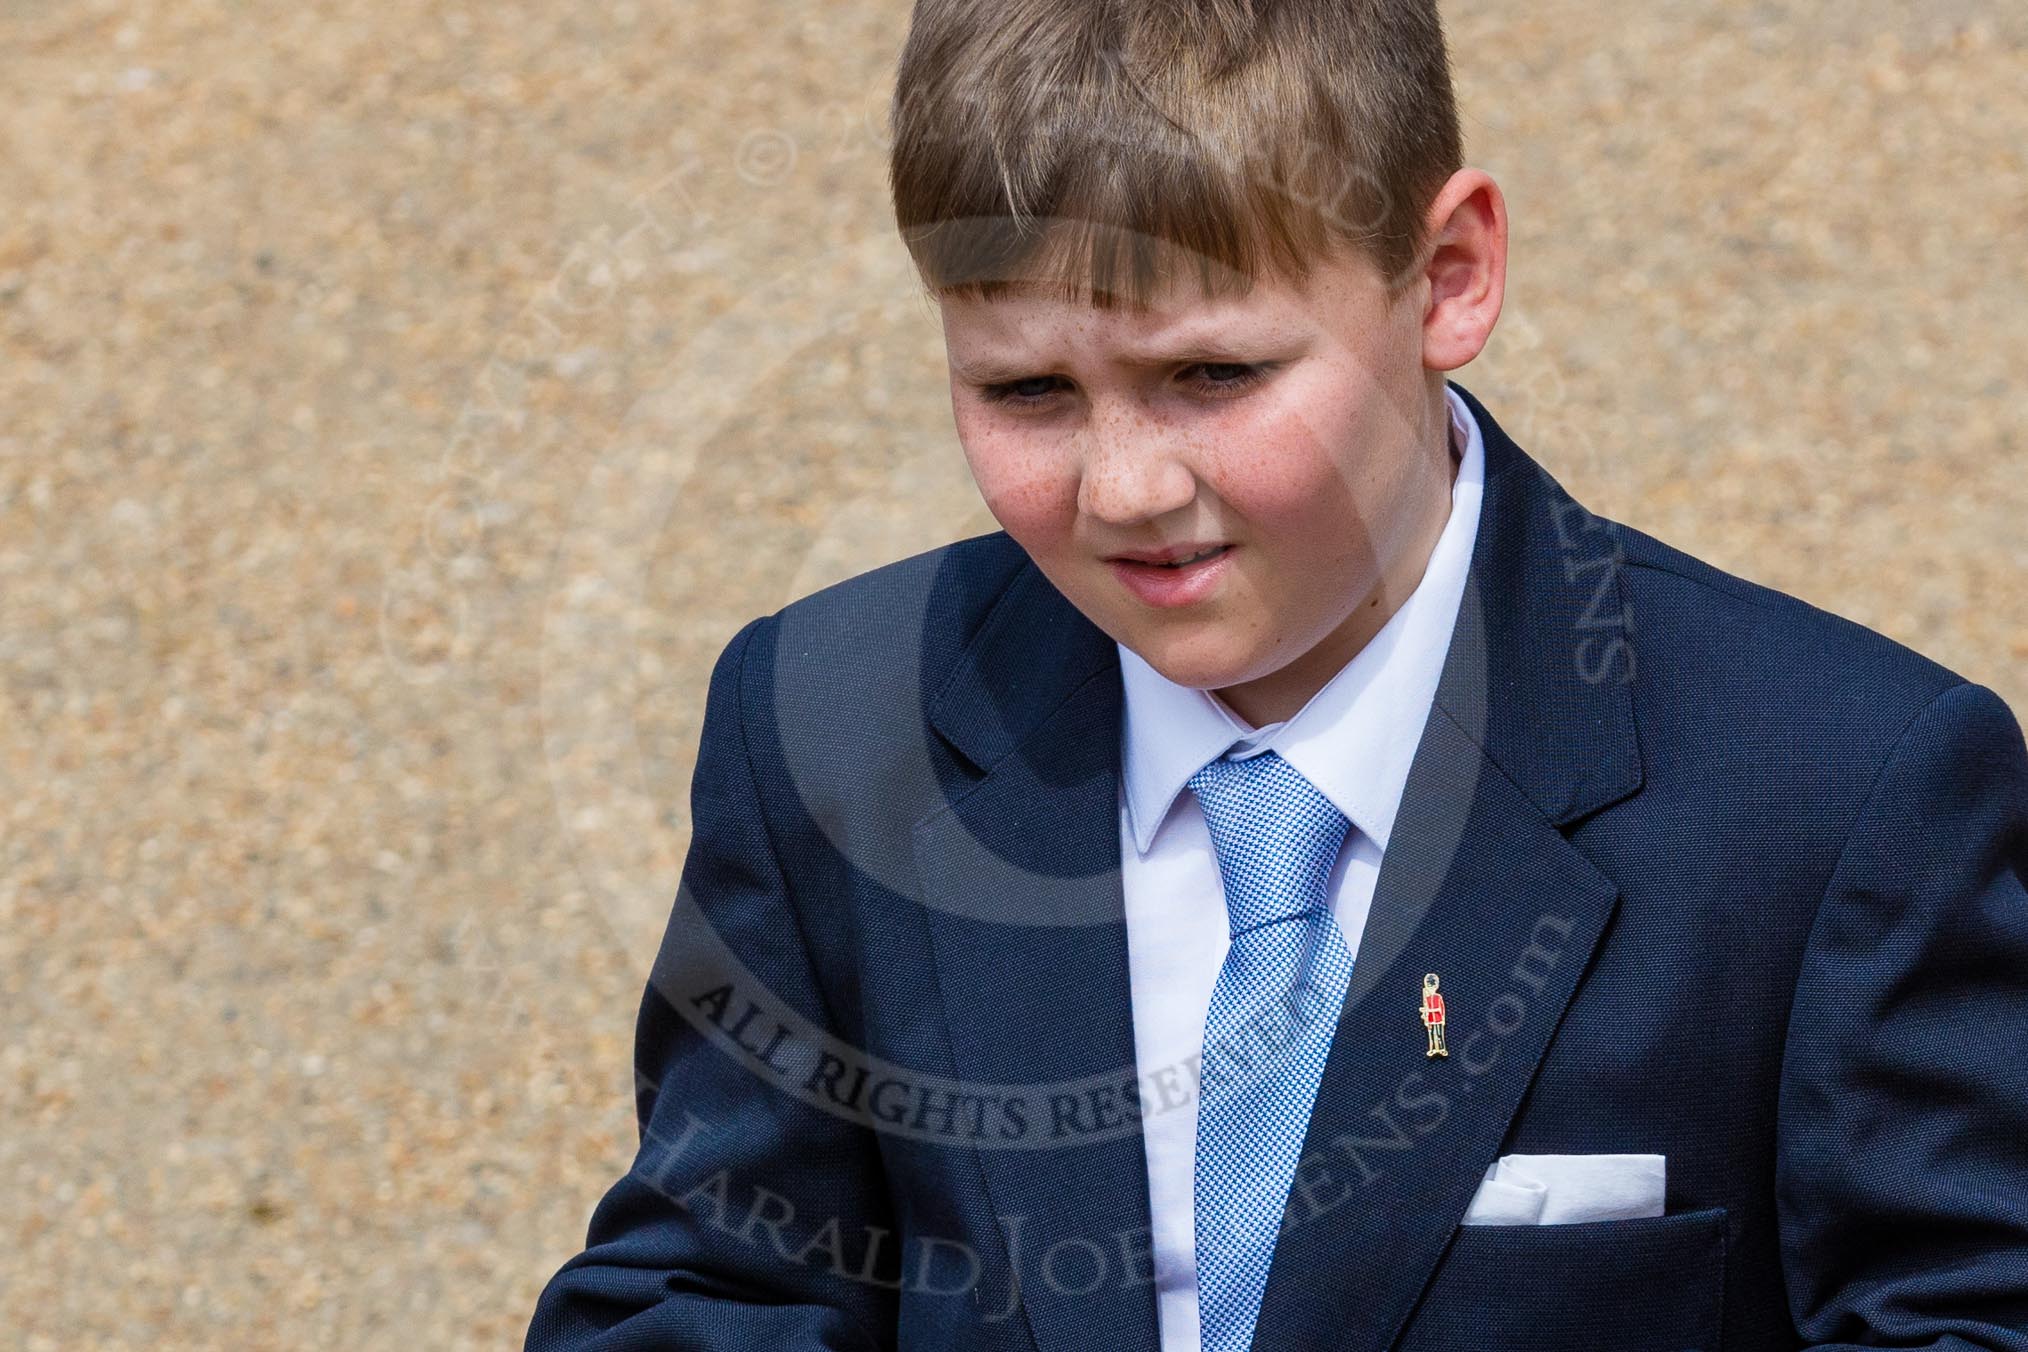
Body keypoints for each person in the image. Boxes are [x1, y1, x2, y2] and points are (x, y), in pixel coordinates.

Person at [524, 1, 2028, 1348]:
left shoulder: (1842, 789)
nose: (1122, 487)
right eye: (1027, 392)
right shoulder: (836, 730)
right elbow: (713, 1284)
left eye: (1213, 376)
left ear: (1450, 276)